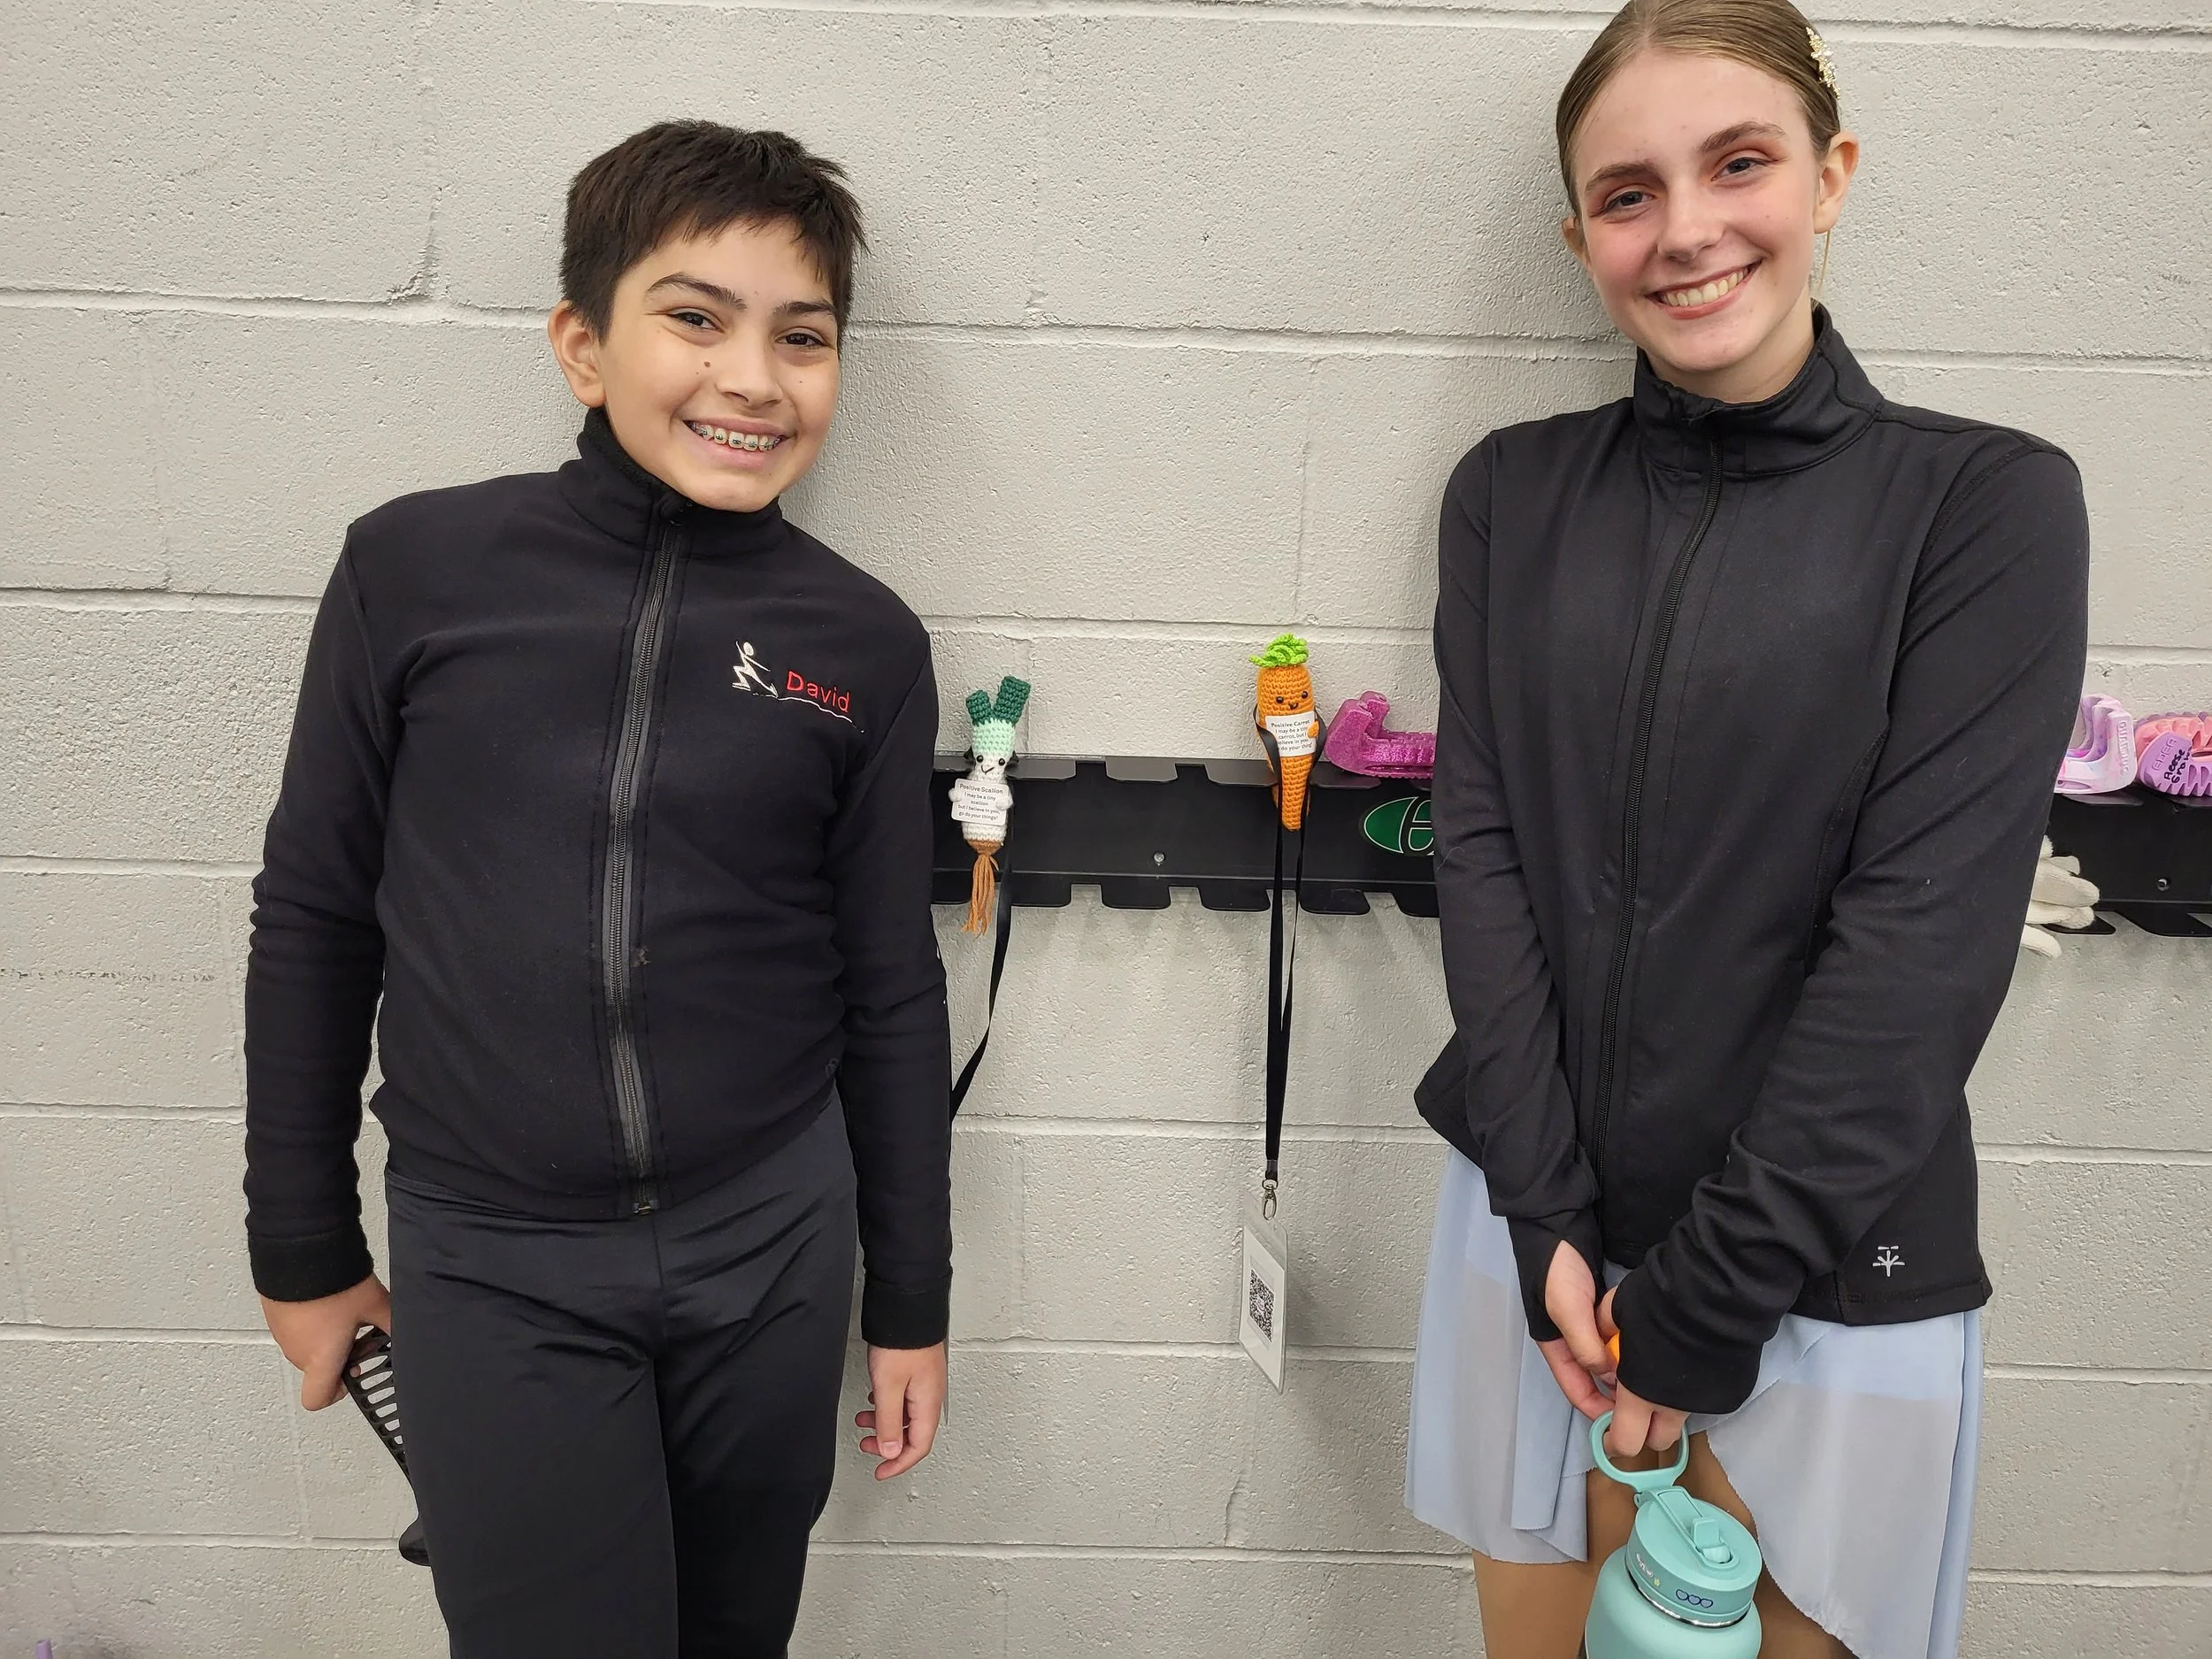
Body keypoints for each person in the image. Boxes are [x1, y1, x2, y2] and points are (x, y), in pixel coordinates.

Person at [1402, 4, 2088, 1655]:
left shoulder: (1985, 507)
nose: (1687, 230)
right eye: (1627, 193)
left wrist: (1703, 1305)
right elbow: (1483, 862)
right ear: (1581, 235)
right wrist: (1547, 1221)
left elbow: (1919, 953)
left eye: (1739, 164)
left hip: (1825, 1273)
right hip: (1539, 1254)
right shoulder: (1507, 495)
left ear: (1831, 176)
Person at [243, 121, 952, 1656]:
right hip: (493, 1257)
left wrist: (910, 1296)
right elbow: (313, 915)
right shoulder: (413, 574)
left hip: (771, 1248)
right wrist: (299, 1241)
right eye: (696, 318)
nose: (752, 378)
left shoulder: (867, 645)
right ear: (582, 345)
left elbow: (892, 987)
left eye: (803, 336)